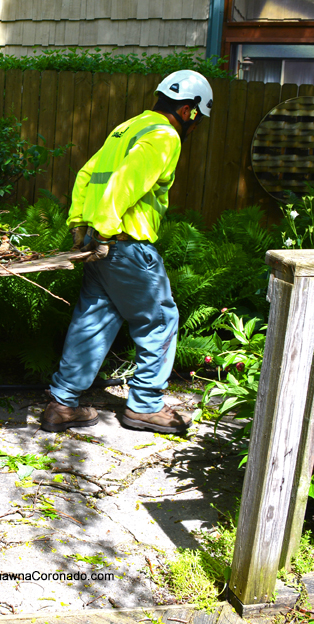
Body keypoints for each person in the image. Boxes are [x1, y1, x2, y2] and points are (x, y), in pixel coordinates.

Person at [40, 70, 215, 435]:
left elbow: (88, 173)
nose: (195, 128)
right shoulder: (164, 135)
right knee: (159, 320)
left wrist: (79, 226)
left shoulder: (127, 128)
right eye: (197, 120)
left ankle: (63, 404)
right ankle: (146, 407)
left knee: (94, 320)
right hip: (125, 245)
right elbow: (125, 182)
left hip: (100, 246)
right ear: (188, 111)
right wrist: (103, 229)